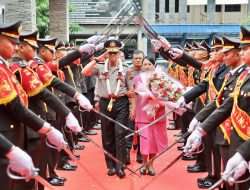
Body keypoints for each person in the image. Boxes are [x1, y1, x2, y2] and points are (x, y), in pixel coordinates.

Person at [0, 21, 66, 190]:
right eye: (13, 43)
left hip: (16, 135)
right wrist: (47, 129)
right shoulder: (10, 68)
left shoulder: (5, 67)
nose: (15, 48)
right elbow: (17, 107)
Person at [184, 34, 249, 190]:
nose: (242, 52)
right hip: (239, 140)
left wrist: (244, 154)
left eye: (246, 49)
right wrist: (200, 129)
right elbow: (226, 104)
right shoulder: (243, 77)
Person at [82, 39, 136, 178]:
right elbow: (84, 72)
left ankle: (120, 166)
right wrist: (96, 59)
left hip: (121, 103)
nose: (112, 56)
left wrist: (133, 107)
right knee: (107, 136)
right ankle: (111, 166)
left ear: (119, 54)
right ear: (106, 53)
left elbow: (131, 89)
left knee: (119, 134)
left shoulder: (126, 68)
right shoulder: (100, 67)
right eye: (110, 53)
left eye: (115, 53)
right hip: (105, 104)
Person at [134, 56, 168, 176]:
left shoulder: (161, 78)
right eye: (145, 64)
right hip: (143, 113)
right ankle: (144, 163)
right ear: (142, 66)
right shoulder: (137, 79)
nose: (147, 66)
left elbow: (168, 93)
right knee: (144, 141)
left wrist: (161, 100)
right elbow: (136, 94)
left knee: (154, 141)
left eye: (149, 64)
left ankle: (151, 164)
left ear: (154, 66)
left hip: (158, 113)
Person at [126, 50, 145, 165]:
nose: (138, 60)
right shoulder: (128, 71)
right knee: (129, 128)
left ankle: (140, 154)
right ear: (132, 59)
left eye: (140, 58)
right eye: (136, 58)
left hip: (144, 105)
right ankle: (127, 152)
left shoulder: (147, 71)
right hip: (130, 104)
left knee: (142, 130)